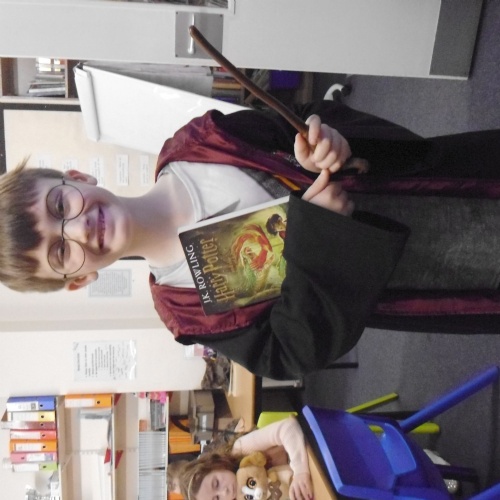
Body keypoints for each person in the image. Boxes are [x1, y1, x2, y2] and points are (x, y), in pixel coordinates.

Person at [1, 100, 499, 379]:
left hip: (453, 184)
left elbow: (304, 120)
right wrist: (320, 235)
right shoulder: (186, 307)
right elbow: (292, 351)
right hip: (443, 281)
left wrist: (321, 144)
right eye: (60, 251)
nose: (79, 228)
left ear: (76, 177)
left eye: (59, 207)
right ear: (77, 280)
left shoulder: (200, 144)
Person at [178, 416, 313, 500]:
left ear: (215, 465)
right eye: (217, 499)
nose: (224, 492)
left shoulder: (242, 448)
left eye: (216, 483)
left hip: (313, 456)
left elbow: (288, 427)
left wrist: (300, 473)